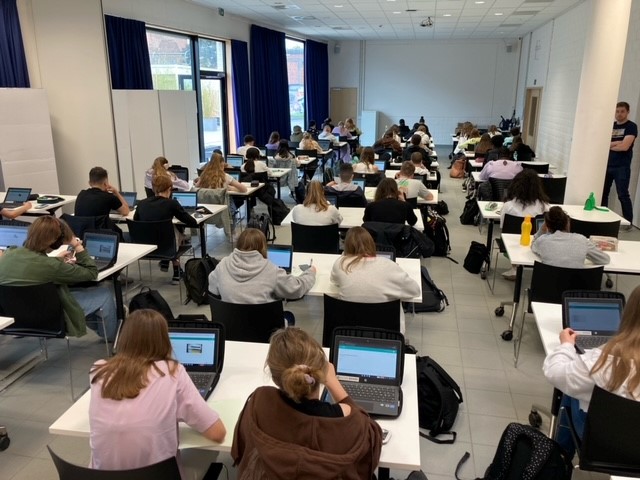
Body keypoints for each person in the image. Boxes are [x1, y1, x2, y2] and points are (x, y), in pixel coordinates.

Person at [89, 309, 226, 478]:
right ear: (164, 340)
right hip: (160, 475)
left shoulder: (98, 371)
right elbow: (217, 433)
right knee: (207, 453)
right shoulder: (172, 372)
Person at [231, 327, 382, 479]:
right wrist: (333, 382)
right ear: (320, 372)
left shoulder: (260, 401)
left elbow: (243, 447)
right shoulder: (347, 420)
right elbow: (369, 437)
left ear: (275, 377)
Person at [542, 284, 640, 458]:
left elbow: (554, 372)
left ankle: (559, 458)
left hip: (602, 443)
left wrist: (566, 345)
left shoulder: (603, 362)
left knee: (572, 388)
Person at [0, 216, 117, 340]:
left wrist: (56, 260)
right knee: (104, 293)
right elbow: (92, 272)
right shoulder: (52, 266)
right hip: (51, 317)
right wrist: (77, 245)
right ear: (55, 242)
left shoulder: (9, 254)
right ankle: (111, 337)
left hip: (15, 317)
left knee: (81, 293)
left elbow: (31, 266)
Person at [330, 227, 421, 333]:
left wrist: (344, 256)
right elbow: (415, 291)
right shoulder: (388, 265)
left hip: (349, 331)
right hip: (388, 332)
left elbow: (334, 281)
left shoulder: (340, 264)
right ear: (372, 243)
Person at [209, 228, 316, 304]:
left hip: (229, 326)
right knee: (289, 316)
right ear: (263, 247)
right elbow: (296, 289)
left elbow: (213, 289)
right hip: (265, 328)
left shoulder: (222, 265)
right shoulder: (271, 269)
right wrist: (310, 273)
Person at [135, 176, 199, 284]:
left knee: (168, 230)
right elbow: (191, 222)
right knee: (177, 232)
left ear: (153, 188)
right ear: (170, 188)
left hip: (145, 246)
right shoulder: (172, 203)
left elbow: (136, 221)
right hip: (167, 246)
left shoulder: (141, 203)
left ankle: (166, 262)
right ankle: (176, 271)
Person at [499, 169, 550, 279]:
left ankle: (514, 268)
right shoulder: (544, 207)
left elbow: (502, 227)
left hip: (510, 245)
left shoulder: (508, 206)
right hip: (537, 244)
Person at [531, 206, 610, 269]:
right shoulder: (582, 240)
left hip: (548, 284)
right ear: (567, 223)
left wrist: (542, 229)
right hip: (576, 284)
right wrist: (584, 253)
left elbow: (533, 245)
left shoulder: (542, 241)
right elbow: (605, 259)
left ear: (547, 227)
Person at [602, 101, 637, 224]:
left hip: (621, 167)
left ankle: (628, 223)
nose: (619, 114)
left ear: (627, 112)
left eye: (622, 111)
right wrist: (617, 142)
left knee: (623, 195)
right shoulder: (611, 126)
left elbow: (624, 147)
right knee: (603, 193)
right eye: (617, 111)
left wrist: (610, 145)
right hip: (607, 165)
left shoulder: (631, 126)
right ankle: (603, 220)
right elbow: (603, 144)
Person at [74, 166, 129, 238]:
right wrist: (116, 192)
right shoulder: (108, 197)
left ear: (89, 183)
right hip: (104, 238)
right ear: (106, 183)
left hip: (83, 237)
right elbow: (126, 211)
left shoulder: (81, 194)